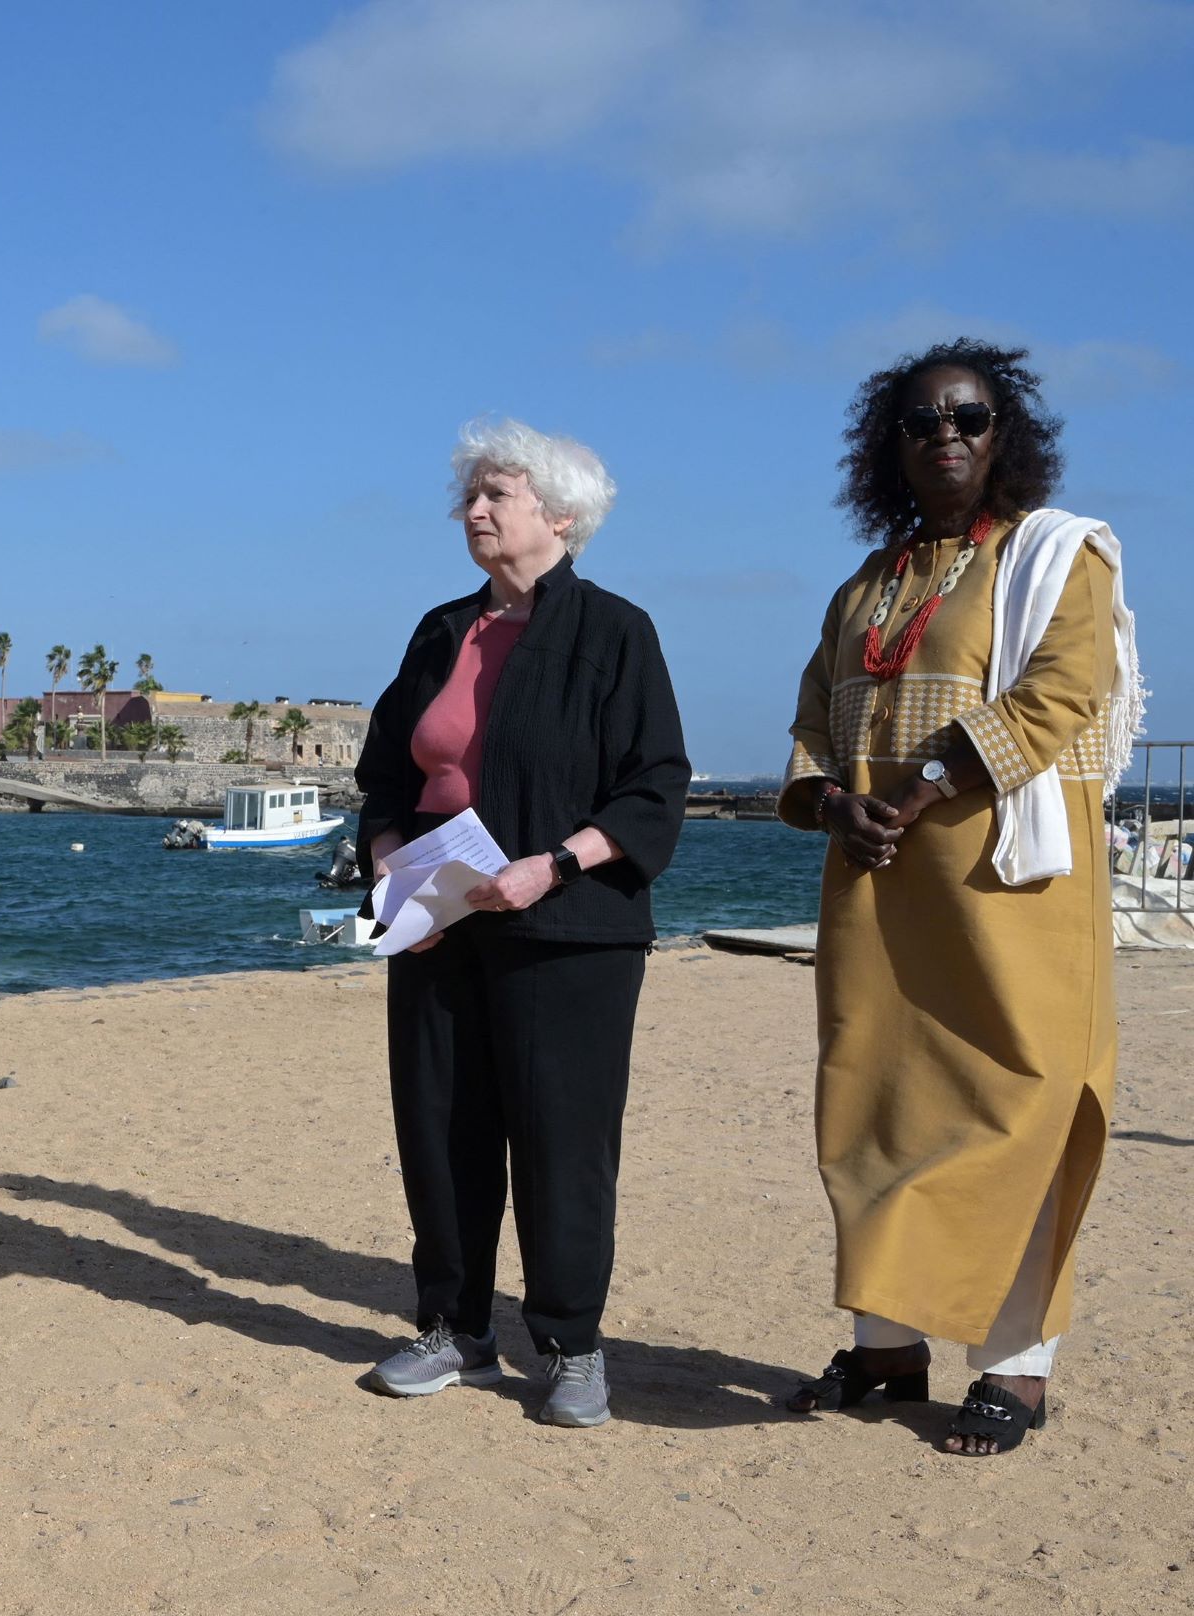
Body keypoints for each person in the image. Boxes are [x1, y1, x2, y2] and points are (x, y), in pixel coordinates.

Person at [778, 339, 1140, 1455]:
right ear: (888, 445)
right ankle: (887, 1345)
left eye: (969, 419)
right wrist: (833, 802)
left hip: (1007, 883)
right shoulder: (867, 583)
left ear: (1004, 432)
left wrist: (931, 784)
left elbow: (1062, 694)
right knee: (876, 1109)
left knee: (1016, 1110)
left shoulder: (1052, 557)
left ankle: (1017, 1366)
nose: (946, 438)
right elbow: (808, 723)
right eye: (922, 422)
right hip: (879, 888)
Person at [355, 419, 688, 1428]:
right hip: (439, 923)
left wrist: (556, 864)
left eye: (497, 494)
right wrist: (384, 852)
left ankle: (573, 1345)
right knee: (442, 1133)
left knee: (562, 1141)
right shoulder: (438, 630)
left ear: (562, 514)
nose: (475, 511)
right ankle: (453, 1328)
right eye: (471, 495)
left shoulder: (615, 631)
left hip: (572, 930)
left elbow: (655, 785)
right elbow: (386, 768)